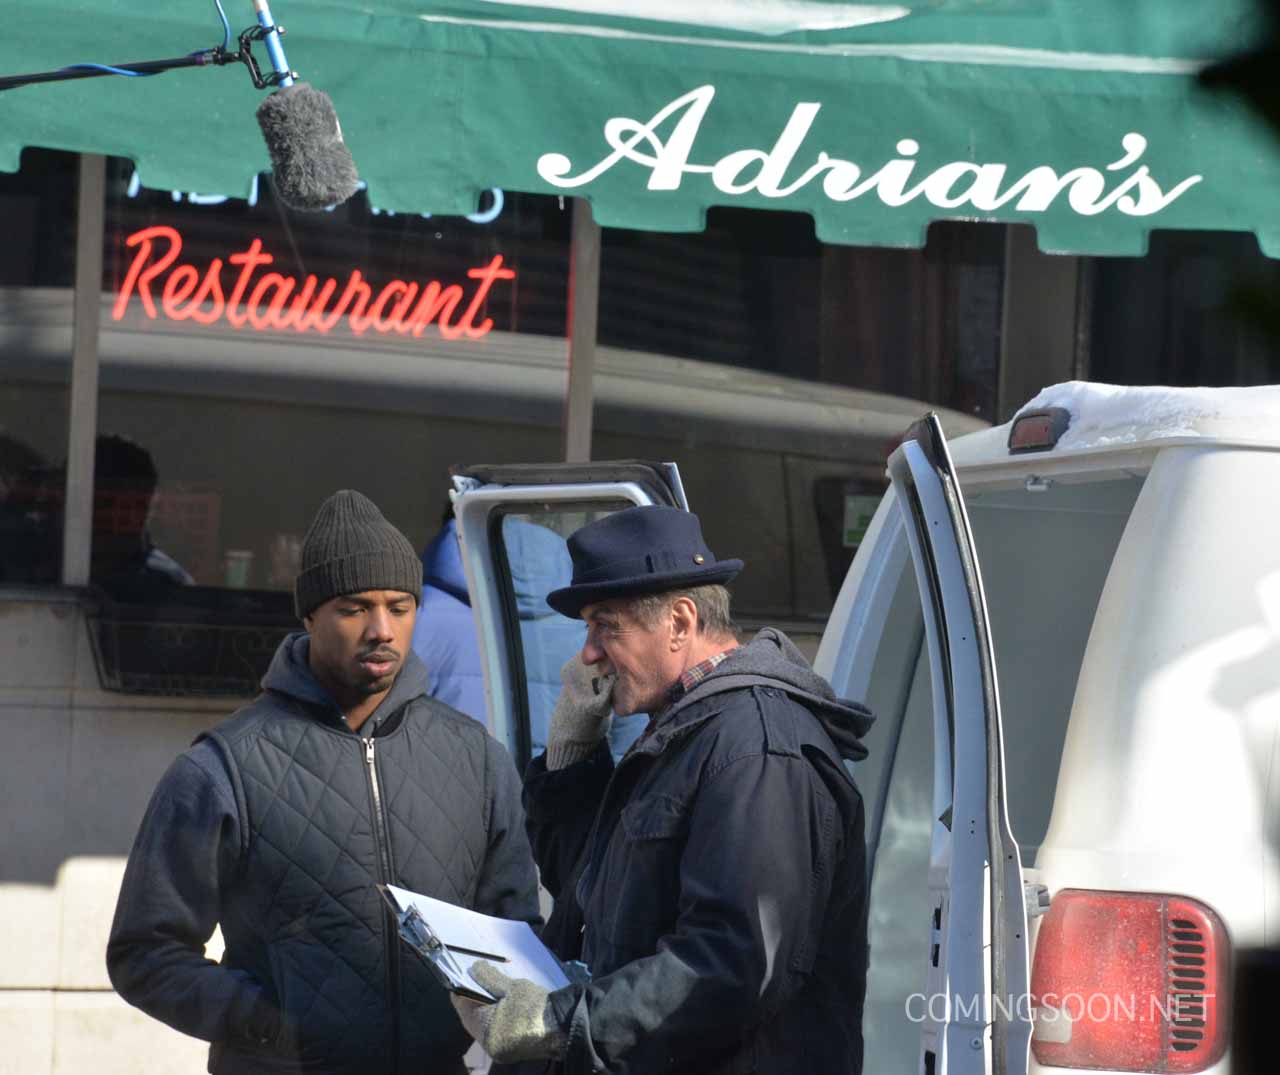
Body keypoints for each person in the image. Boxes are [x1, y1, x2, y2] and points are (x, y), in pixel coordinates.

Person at [107, 489, 540, 1075]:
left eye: (400, 605)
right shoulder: (225, 765)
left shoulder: (477, 758)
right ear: (311, 616)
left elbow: (514, 939)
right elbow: (146, 951)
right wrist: (272, 1027)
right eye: (354, 608)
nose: (382, 629)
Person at [451, 505, 874, 1074]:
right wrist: (572, 757)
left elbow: (732, 962)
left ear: (679, 622)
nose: (589, 653)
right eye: (588, 628)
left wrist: (559, 1022)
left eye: (606, 625)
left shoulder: (755, 747)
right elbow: (589, 894)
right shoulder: (684, 731)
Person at [412, 510, 646, 760]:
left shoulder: (412, 620)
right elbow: (630, 734)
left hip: (460, 791)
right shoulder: (588, 618)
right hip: (562, 792)